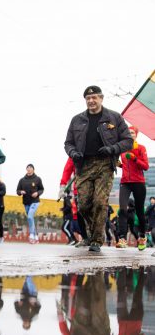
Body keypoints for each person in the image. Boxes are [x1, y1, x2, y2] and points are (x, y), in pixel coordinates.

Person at [64, 85, 133, 252]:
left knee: (100, 202)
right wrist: (73, 152)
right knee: (83, 206)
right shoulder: (77, 120)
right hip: (84, 165)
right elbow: (68, 143)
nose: (91, 101)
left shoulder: (114, 118)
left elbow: (127, 141)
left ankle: (96, 240)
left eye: (94, 97)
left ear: (101, 98)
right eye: (88, 98)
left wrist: (113, 149)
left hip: (104, 165)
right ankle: (90, 233)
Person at [116, 126, 149, 250]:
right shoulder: (123, 149)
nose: (130, 134)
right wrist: (120, 165)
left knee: (140, 211)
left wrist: (135, 158)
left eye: (132, 133)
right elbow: (126, 166)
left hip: (138, 182)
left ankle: (142, 236)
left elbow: (145, 166)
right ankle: (122, 238)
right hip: (125, 182)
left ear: (136, 135)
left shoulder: (141, 148)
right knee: (122, 209)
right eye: (128, 132)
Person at [16, 164, 44, 244]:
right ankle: (36, 237)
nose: (28, 169)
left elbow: (42, 189)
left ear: (33, 169)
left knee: (30, 216)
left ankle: (31, 235)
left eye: (30, 168)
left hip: (35, 201)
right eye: (27, 168)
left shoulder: (37, 179)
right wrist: (21, 192)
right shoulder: (22, 180)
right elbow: (17, 190)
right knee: (30, 219)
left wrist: (37, 193)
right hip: (26, 202)